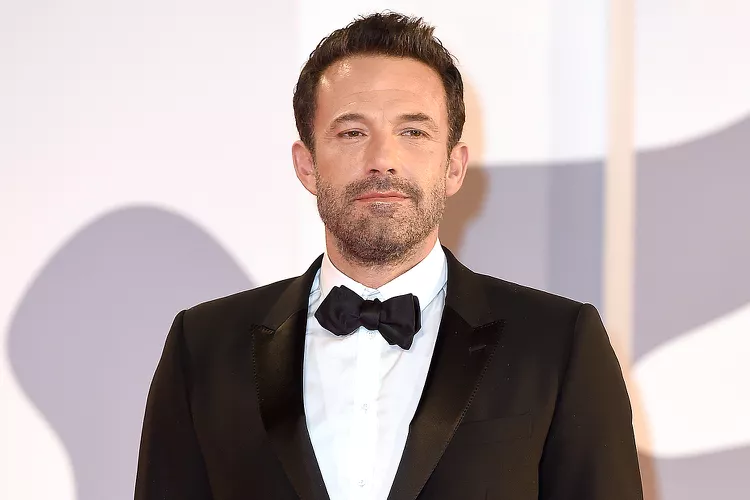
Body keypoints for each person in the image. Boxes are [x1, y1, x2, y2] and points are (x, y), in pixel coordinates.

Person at [135, 12, 643, 500]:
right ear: (307, 164)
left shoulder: (558, 345)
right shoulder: (202, 349)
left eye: (413, 132)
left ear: (454, 166)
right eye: (352, 132)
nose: (383, 161)